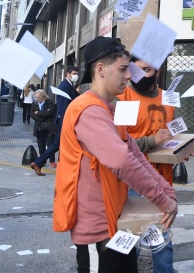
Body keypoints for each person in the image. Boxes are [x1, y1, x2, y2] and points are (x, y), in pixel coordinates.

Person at [53, 37, 178, 271]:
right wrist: (163, 200)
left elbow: (135, 155)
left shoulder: (109, 109)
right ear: (100, 69)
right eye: (123, 69)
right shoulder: (88, 110)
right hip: (98, 229)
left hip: (119, 221)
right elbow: (123, 161)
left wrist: (166, 190)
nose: (129, 76)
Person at [117, 56, 185, 273]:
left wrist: (182, 149)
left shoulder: (170, 97)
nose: (140, 75)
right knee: (131, 236)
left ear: (157, 71)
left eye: (146, 69)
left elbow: (174, 132)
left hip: (162, 179)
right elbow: (119, 145)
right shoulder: (123, 98)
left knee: (162, 237)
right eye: (136, 70)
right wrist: (152, 141)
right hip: (133, 179)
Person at [32, 66, 80, 173]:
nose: (76, 75)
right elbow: (63, 107)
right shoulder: (64, 86)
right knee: (58, 144)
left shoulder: (69, 85)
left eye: (77, 73)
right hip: (65, 120)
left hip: (65, 120)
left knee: (59, 144)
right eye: (74, 73)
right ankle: (38, 162)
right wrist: (67, 122)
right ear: (68, 74)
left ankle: (39, 163)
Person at [30, 90, 57, 172]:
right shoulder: (34, 104)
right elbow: (32, 114)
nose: (37, 99)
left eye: (38, 97)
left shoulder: (50, 103)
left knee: (50, 145)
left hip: (49, 128)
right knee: (41, 145)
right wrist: (42, 115)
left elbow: (50, 113)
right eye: (36, 97)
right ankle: (43, 161)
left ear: (43, 97)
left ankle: (52, 161)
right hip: (39, 128)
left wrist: (38, 113)